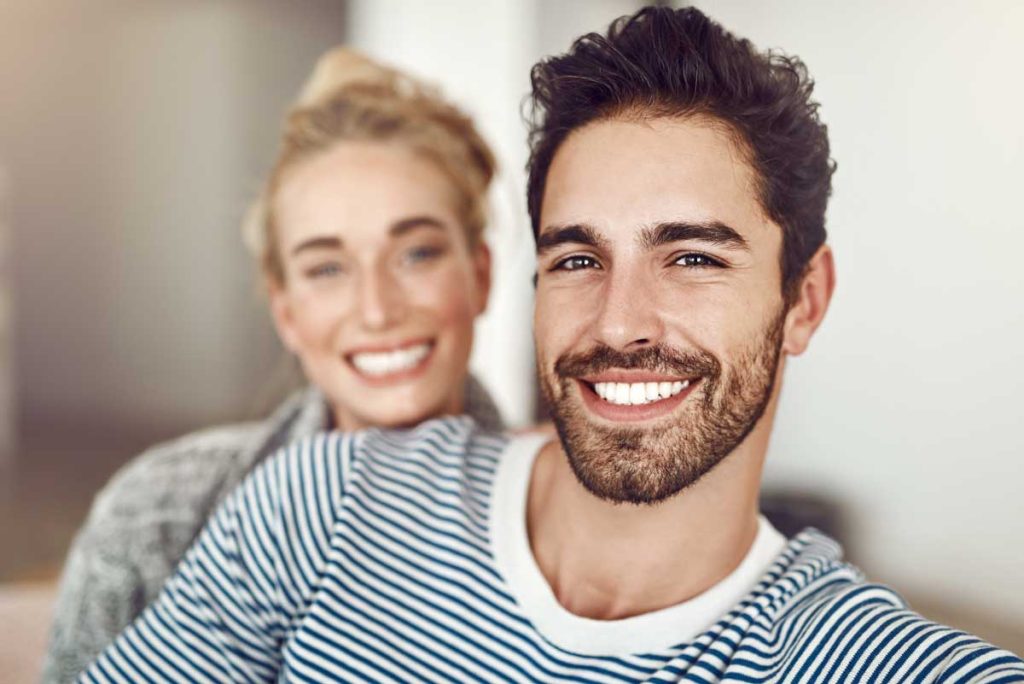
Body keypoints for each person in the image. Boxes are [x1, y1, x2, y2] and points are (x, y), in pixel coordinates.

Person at [80, 7, 1024, 683]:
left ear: (804, 299)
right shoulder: (317, 502)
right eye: (577, 260)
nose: (618, 323)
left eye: (692, 256)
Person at [43, 48, 504, 683]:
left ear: (480, 275)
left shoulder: (561, 528)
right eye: (327, 268)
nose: (376, 309)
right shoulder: (158, 516)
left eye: (417, 254)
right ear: (285, 311)